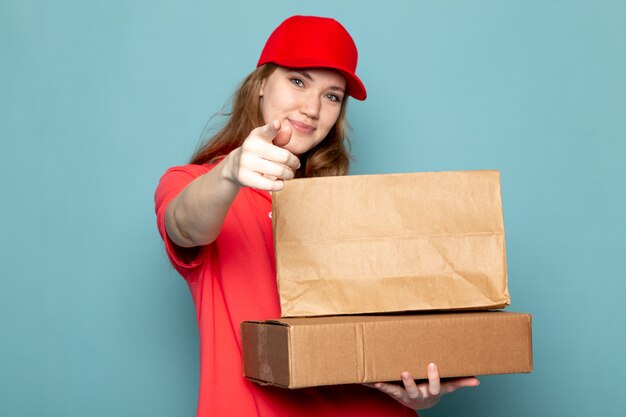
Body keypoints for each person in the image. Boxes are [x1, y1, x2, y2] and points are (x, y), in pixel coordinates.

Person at [154, 15, 479, 417]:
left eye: (332, 96)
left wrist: (412, 387)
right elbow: (184, 225)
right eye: (298, 81)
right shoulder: (196, 183)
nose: (311, 108)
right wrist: (230, 172)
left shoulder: (348, 211)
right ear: (259, 85)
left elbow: (371, 337)